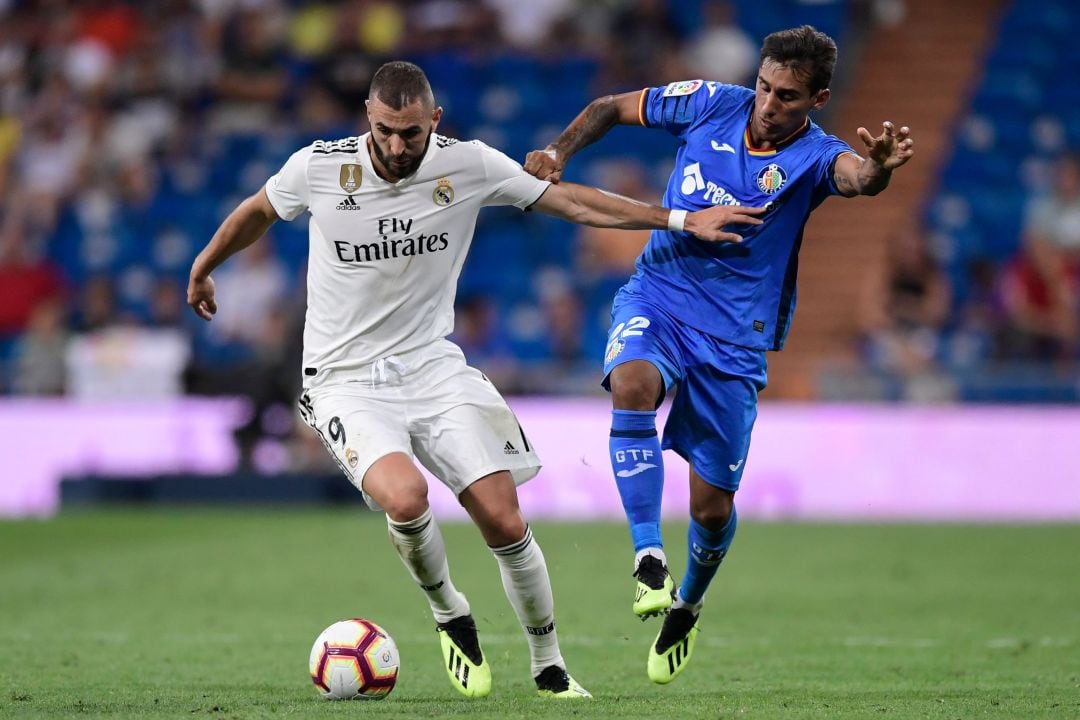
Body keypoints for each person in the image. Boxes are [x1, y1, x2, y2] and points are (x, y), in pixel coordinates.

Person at [187, 61, 752, 700]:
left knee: (504, 521)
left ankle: (549, 665)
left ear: (435, 122)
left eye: (410, 134)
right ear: (367, 121)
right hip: (343, 380)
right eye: (385, 132)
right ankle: (450, 613)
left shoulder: (470, 164)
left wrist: (678, 220)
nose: (397, 148)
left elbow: (567, 200)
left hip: (432, 368)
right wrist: (206, 265)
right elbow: (257, 211)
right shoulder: (318, 168)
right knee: (405, 500)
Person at [525, 25, 915, 684]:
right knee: (631, 383)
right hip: (661, 294)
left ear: (817, 99)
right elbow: (609, 108)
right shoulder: (711, 101)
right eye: (764, 86)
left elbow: (858, 178)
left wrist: (877, 169)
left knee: (711, 506)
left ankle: (690, 600)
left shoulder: (818, 156)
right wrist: (558, 150)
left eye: (787, 96)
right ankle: (649, 556)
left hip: (734, 339)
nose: (767, 104)